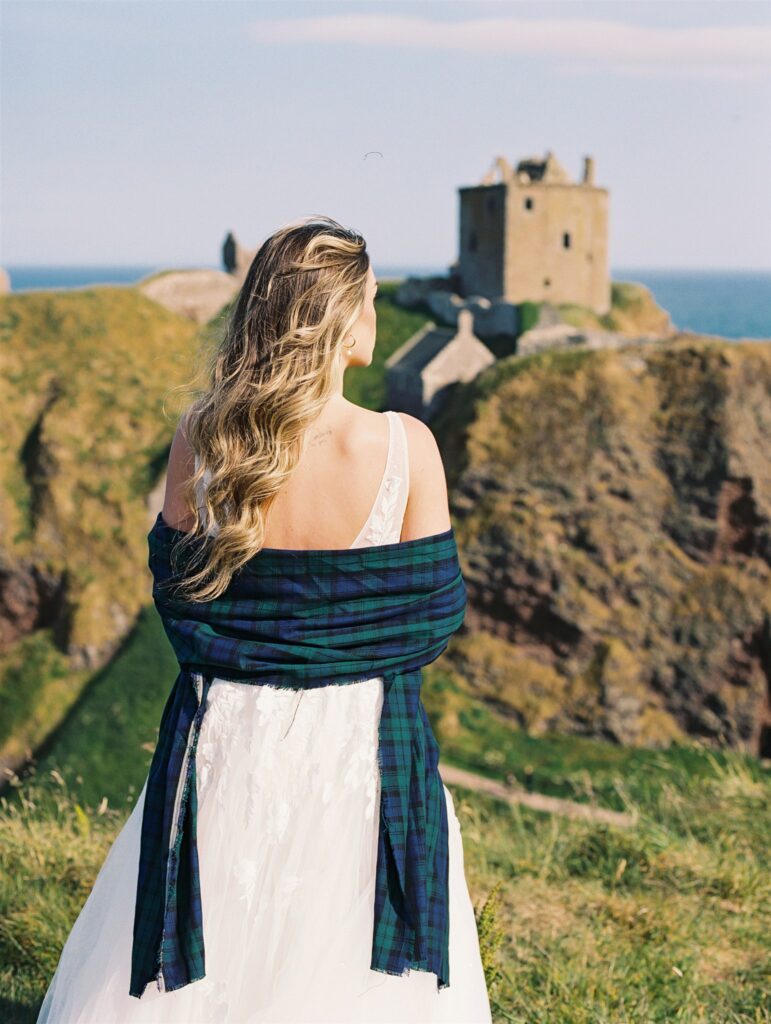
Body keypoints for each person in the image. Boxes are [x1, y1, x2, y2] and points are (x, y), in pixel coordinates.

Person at [36, 215, 493, 1023]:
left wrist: (259, 637)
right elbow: (433, 617)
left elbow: (180, 603)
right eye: (371, 301)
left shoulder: (201, 438)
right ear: (340, 317)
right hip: (359, 739)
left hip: (225, 735)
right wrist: (344, 641)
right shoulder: (404, 446)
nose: (376, 318)